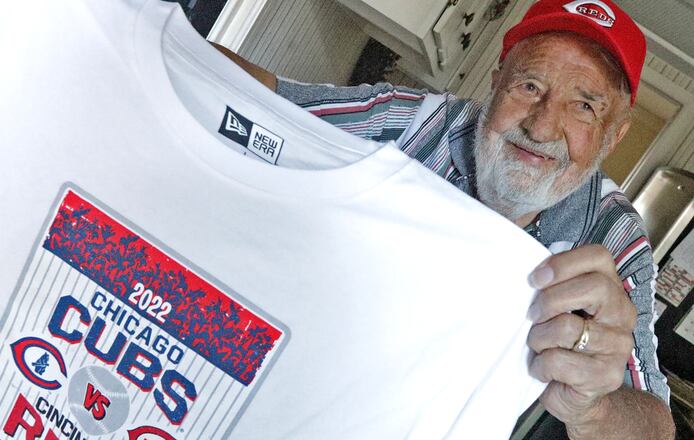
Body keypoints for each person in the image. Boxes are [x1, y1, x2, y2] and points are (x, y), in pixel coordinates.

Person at [215, 0, 676, 438]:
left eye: (584, 107)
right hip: (287, 376)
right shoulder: (421, 122)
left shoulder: (613, 242)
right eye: (530, 87)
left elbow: (657, 427)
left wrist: (592, 408)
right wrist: (153, 38)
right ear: (495, 83)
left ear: (613, 136)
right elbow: (265, 102)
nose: (540, 128)